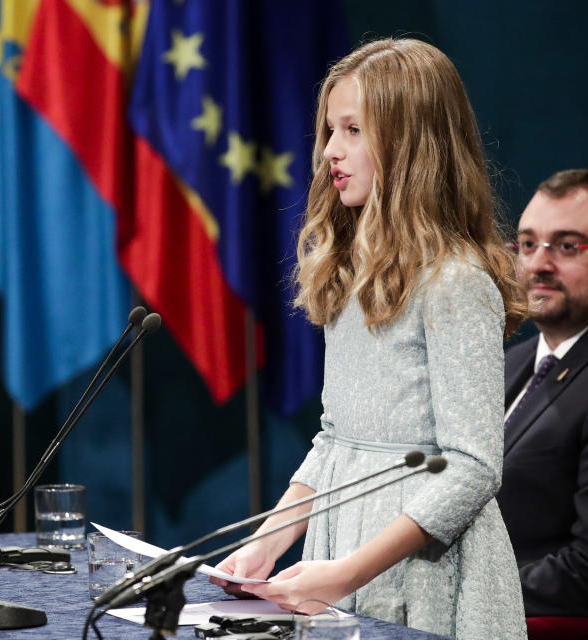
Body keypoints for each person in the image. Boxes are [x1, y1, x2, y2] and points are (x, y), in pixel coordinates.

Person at [209, 38, 528, 639]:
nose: (331, 150)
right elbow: (337, 440)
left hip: (427, 575)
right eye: (331, 129)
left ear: (412, 144)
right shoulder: (352, 274)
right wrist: (265, 544)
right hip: (342, 547)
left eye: (354, 130)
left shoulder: (456, 282)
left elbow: (473, 467)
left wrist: (348, 572)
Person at [496, 169, 588, 618]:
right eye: (528, 244)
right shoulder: (509, 363)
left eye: (568, 246)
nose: (538, 265)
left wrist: (464, 601)